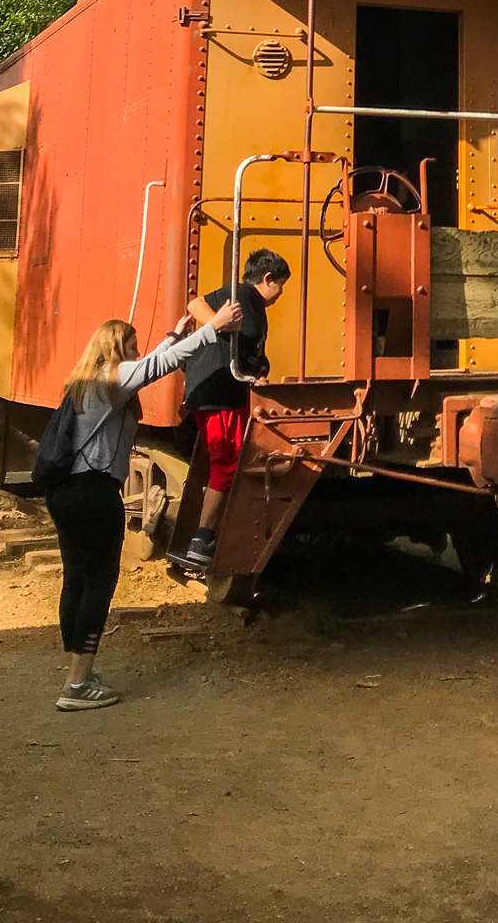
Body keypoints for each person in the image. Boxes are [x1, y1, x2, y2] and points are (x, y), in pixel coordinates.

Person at [46, 302, 232, 712]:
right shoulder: (115, 378)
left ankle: (76, 670)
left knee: (76, 578)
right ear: (117, 348)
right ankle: (76, 685)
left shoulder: (83, 382)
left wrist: (172, 335)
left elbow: (149, 361)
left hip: (64, 493)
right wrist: (211, 328)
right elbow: (158, 366)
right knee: (100, 582)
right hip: (95, 493)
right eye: (131, 345)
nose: (136, 352)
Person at [171, 248, 292, 574]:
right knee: (227, 464)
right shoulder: (241, 294)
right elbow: (195, 304)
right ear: (267, 279)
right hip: (217, 391)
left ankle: (207, 536)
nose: (280, 294)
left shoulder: (255, 307)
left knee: (230, 461)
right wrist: (216, 324)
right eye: (280, 285)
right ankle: (202, 540)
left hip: (226, 390)